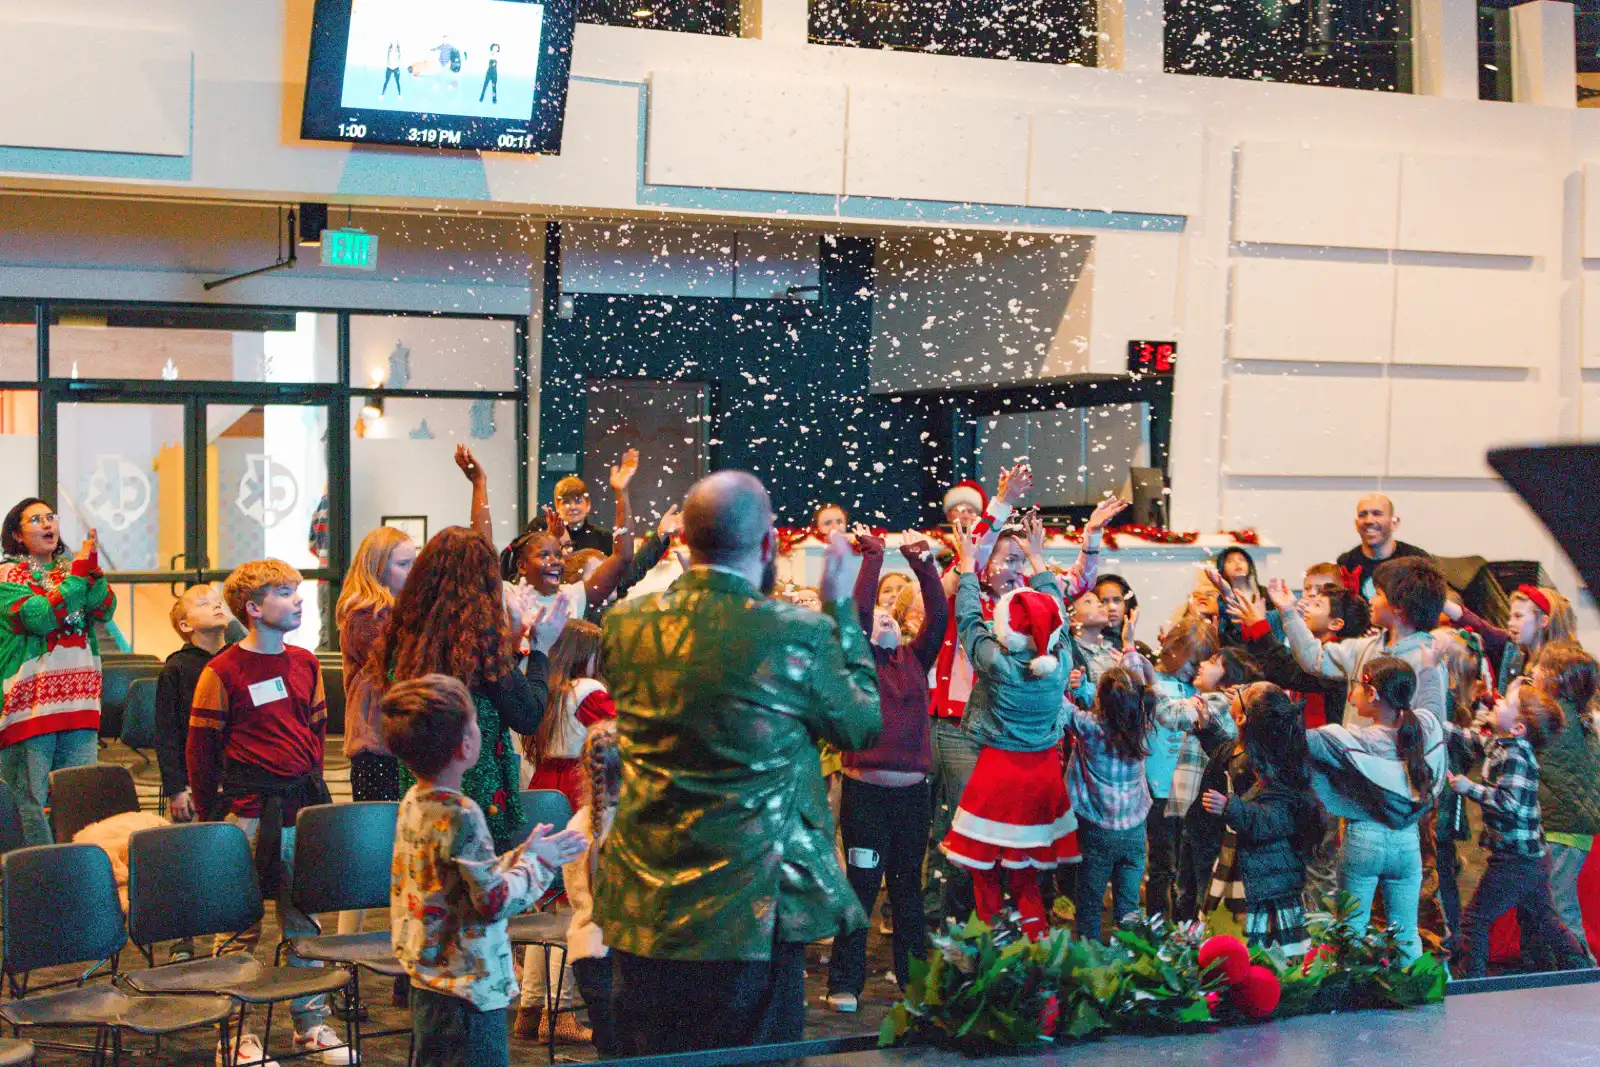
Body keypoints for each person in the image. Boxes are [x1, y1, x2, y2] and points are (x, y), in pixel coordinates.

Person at [595, 471, 881, 1056]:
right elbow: (860, 725)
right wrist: (842, 611)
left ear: (686, 541)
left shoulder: (626, 624)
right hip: (751, 908)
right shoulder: (796, 631)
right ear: (770, 545)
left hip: (645, 900)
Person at [186, 559, 351, 1065]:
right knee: (239, 925)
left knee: (304, 919)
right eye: (284, 592)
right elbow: (201, 751)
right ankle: (236, 1034)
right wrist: (215, 818)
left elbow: (316, 736)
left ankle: (311, 1024)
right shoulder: (221, 671)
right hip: (248, 810)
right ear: (254, 609)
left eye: (297, 590)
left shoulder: (305, 664)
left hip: (301, 807)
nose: (298, 599)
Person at [385, 674, 587, 1067]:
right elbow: (493, 900)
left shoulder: (416, 800)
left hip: (431, 982)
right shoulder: (462, 813)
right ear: (466, 745)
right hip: (469, 990)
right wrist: (540, 863)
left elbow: (461, 880)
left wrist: (522, 857)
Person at [372, 527, 562, 851]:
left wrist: (514, 652)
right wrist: (540, 649)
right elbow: (528, 716)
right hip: (476, 806)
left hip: (421, 802)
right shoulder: (482, 643)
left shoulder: (404, 637)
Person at [939, 515, 1080, 941]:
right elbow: (1058, 615)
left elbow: (967, 619)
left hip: (998, 776)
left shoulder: (998, 663)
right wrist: (1038, 561)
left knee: (985, 870)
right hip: (1041, 777)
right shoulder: (1062, 663)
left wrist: (967, 564)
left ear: (1003, 626)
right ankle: (1035, 951)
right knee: (1026, 876)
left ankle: (989, 951)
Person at [826, 532, 945, 1014]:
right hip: (866, 797)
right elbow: (856, 613)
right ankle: (845, 983)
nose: (885, 616)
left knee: (906, 890)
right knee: (861, 885)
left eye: (890, 614)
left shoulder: (917, 660)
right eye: (877, 615)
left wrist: (921, 562)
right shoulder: (858, 662)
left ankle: (912, 981)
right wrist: (873, 557)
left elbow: (937, 613)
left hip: (912, 796)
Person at [1304, 656, 1446, 964]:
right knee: (1406, 933)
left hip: (1363, 842)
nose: (1351, 692)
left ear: (1373, 694)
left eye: (1357, 685)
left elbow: (1298, 742)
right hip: (1408, 844)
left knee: (1350, 931)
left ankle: (1350, 996)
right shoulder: (1425, 730)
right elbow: (1433, 703)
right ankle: (1416, 997)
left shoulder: (1354, 740)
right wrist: (1431, 666)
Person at [1447, 678, 1590, 977]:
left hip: (1517, 860)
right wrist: (1436, 726)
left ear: (1519, 728)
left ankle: (1470, 983)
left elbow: (1508, 802)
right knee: (1545, 919)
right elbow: (1473, 739)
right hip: (1529, 857)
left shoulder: (1517, 757)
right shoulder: (1503, 744)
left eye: (1506, 703)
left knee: (1476, 918)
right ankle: (1582, 970)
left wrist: (1467, 787)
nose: (1498, 702)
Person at [514, 620, 612, 1042]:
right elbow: (617, 733)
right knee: (574, 909)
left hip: (542, 792)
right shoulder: (587, 688)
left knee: (546, 912)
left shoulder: (549, 691)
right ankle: (561, 1012)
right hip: (575, 793)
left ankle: (532, 1007)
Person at [0, 501, 114, 845]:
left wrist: (91, 569)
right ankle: (37, 879)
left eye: (51, 516)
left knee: (80, 799)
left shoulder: (71, 570)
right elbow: (41, 616)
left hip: (79, 702)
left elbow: (105, 608)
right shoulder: (6, 576)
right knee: (28, 801)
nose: (48, 523)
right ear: (18, 534)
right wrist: (80, 575)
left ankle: (79, 876)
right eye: (36, 519)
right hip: (30, 707)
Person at [1200, 683, 1326, 955]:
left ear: (1242, 718)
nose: (1238, 690)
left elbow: (1276, 819)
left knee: (1258, 947)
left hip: (1265, 870)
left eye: (1244, 693)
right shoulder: (1257, 751)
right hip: (1243, 859)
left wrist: (1231, 808)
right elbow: (1226, 751)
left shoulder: (1272, 764)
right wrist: (1207, 727)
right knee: (1236, 938)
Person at [1270, 555, 1449, 729]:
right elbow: (1315, 659)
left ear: (1399, 608)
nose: (1371, 600)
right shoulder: (1365, 647)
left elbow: (1431, 729)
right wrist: (1288, 612)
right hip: (1355, 756)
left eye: (1378, 594)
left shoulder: (1427, 660)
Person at [1064, 667, 1156, 942]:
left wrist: (1068, 684)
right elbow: (1129, 695)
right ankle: (1133, 961)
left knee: (1090, 906)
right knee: (1129, 910)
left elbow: (1059, 707)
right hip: (1135, 830)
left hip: (1097, 831)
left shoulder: (1090, 727)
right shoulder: (1145, 726)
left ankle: (1091, 966)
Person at [1526, 641, 1600, 965]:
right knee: (1552, 904)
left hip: (1561, 830)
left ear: (1555, 680)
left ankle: (1583, 972)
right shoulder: (1578, 720)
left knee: (1560, 907)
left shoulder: (1553, 719)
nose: (1533, 671)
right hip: (1569, 831)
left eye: (1540, 667)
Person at [337, 526, 417, 805]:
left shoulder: (403, 608)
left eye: (415, 563)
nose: (413, 571)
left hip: (400, 740)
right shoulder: (365, 615)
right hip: (379, 744)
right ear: (378, 569)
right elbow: (398, 666)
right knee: (384, 832)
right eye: (404, 564)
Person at [562, 720, 623, 1057]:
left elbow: (573, 896)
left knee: (608, 1050)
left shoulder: (575, 826)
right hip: (624, 957)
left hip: (587, 952)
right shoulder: (633, 827)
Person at [155, 585, 230, 827]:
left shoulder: (240, 658)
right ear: (185, 625)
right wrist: (175, 788)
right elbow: (167, 733)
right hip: (196, 777)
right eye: (204, 604)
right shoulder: (176, 669)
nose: (217, 605)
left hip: (240, 776)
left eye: (218, 601)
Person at [1445, 583, 1576, 692]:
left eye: (1518, 616)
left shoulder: (1554, 672)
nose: (1510, 623)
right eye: (1511, 617)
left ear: (1543, 621)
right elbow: (1479, 625)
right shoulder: (1512, 649)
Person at [1335, 495, 1429, 600]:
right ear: (1356, 525)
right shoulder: (1346, 564)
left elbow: (1441, 604)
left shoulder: (1418, 561)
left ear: (1394, 523)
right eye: (1363, 514)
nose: (1369, 520)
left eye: (1377, 514)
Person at [552, 475, 614, 555]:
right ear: (557, 507)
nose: (573, 507)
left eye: (578, 501)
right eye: (566, 502)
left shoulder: (605, 539)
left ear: (588, 505)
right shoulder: (550, 540)